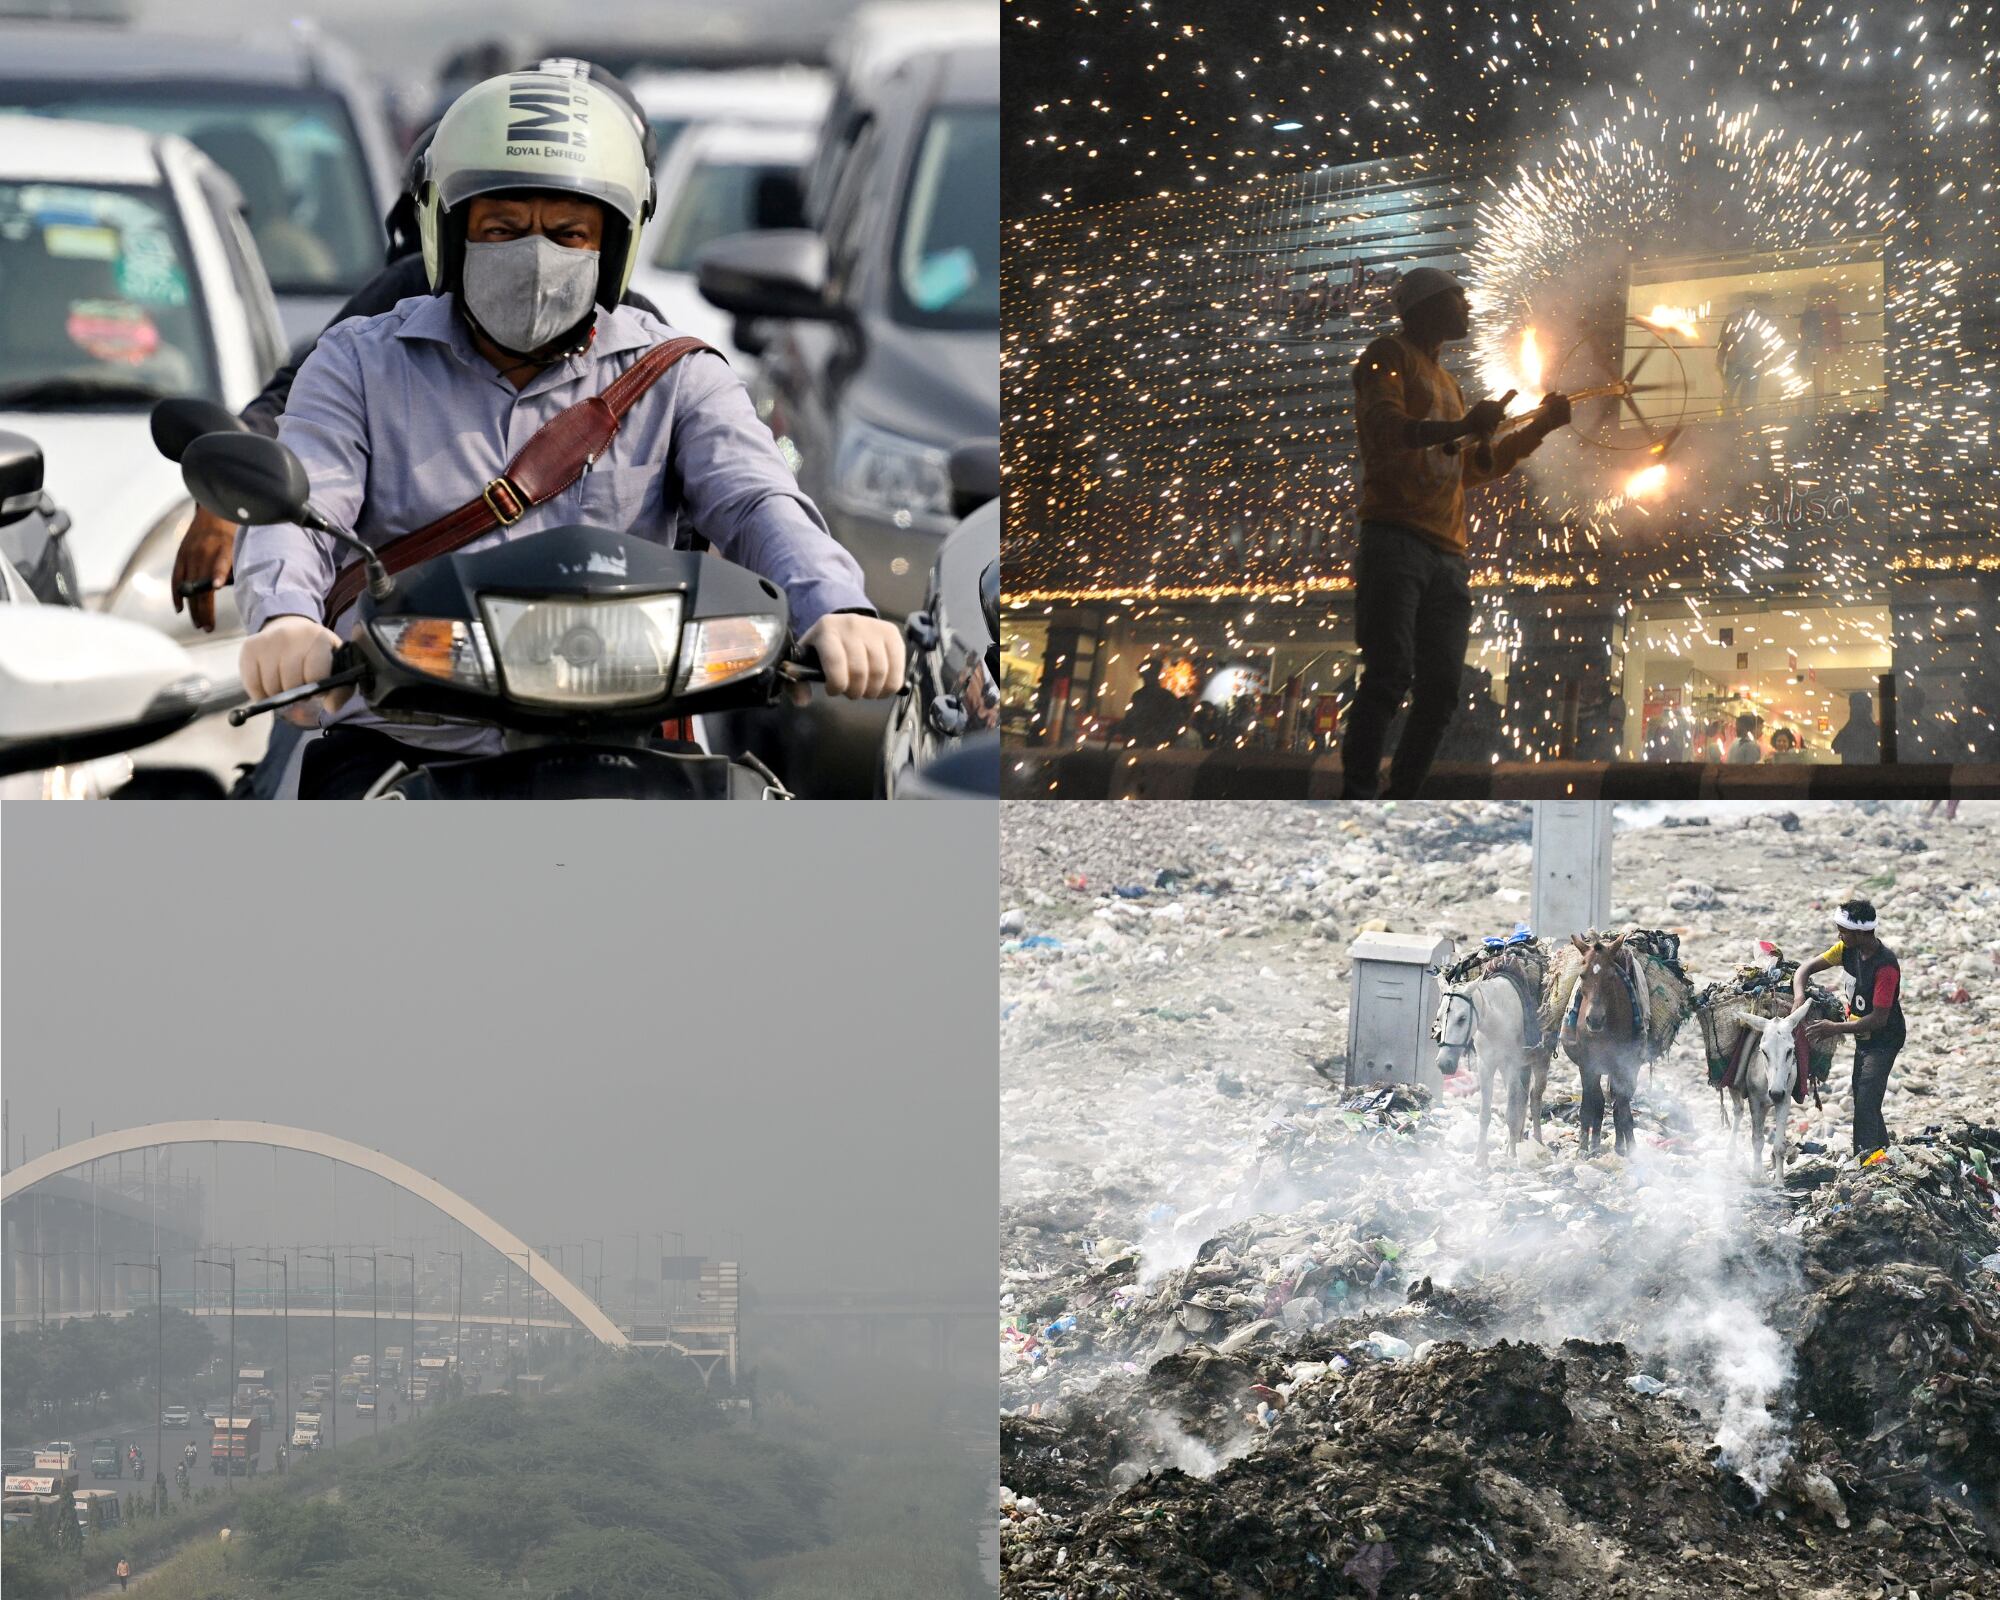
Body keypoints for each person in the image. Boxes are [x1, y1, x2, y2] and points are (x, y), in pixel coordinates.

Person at [224, 68, 903, 797]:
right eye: (503, 229)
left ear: (613, 244)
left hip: (638, 740)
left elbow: (757, 500)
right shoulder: (357, 363)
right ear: (447, 231)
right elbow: (303, 507)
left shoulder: (676, 374)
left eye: (569, 233)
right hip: (404, 738)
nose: (537, 256)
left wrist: (835, 607)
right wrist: (287, 621)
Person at [1342, 266, 1572, 797]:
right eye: (1457, 298)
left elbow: (1469, 468)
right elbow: (1385, 431)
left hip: (1447, 554)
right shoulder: (1387, 355)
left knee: (1442, 688)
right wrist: (1466, 427)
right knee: (1389, 674)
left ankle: (1402, 799)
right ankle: (1356, 794)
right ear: (1424, 307)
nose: (1467, 307)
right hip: (1395, 537)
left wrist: (1539, 426)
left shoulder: (1447, 383)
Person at [1796, 898, 1906, 1158]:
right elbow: (1806, 969)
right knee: (1862, 1093)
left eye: (1843, 930)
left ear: (1860, 933)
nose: (1839, 934)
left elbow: (1879, 1018)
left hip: (1884, 1038)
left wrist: (1834, 1028)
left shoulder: (1885, 966)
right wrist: (1799, 996)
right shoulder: (1846, 950)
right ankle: (1881, 1152)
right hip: (1863, 1036)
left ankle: (1866, 1158)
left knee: (1867, 1099)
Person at [1115, 659, 1187, 747]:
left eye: (1145, 675)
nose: (1144, 678)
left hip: (1147, 744)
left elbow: (1131, 720)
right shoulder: (1165, 696)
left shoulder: (1140, 696)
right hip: (1149, 744)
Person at [1832, 690, 1878, 764]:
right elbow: (1835, 748)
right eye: (1854, 706)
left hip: (1870, 772)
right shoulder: (1848, 730)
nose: (1857, 709)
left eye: (1859, 705)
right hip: (1852, 772)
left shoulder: (1873, 731)